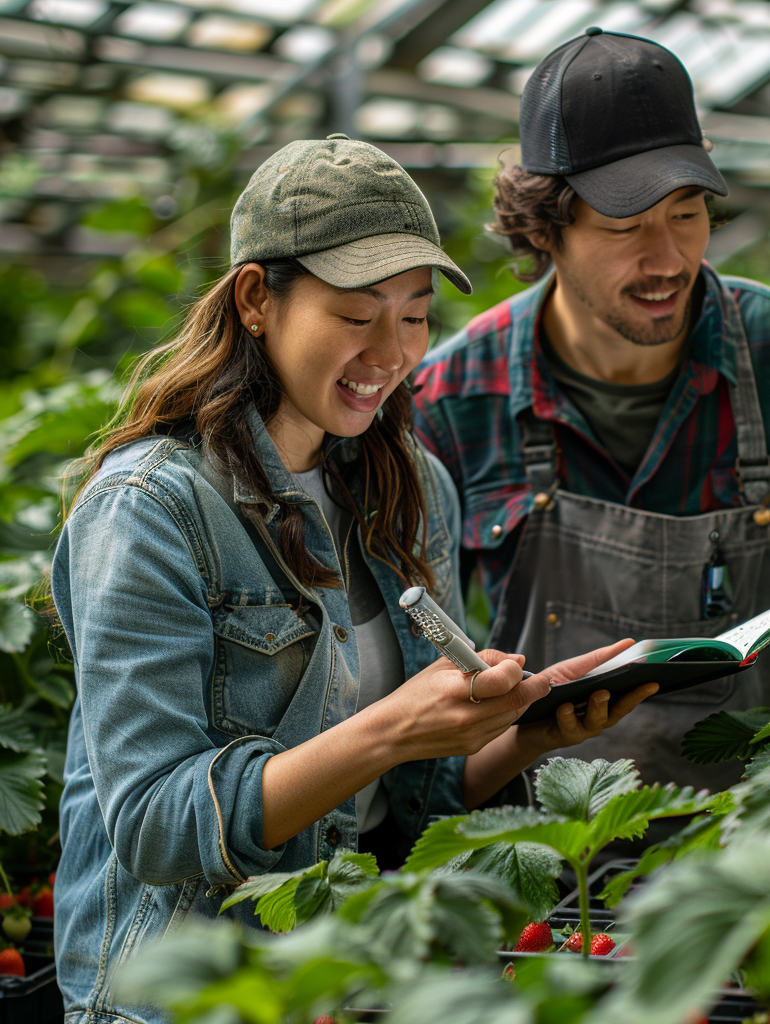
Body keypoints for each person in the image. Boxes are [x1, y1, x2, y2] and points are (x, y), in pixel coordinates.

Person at [49, 135, 657, 1024]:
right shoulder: (151, 508)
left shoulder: (409, 489)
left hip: (354, 973)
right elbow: (155, 824)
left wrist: (525, 733)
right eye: (356, 313)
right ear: (258, 300)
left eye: (413, 315)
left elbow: (410, 798)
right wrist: (385, 730)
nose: (391, 349)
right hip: (192, 993)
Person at [412, 29, 770, 793]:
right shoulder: (454, 395)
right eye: (626, 228)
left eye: (687, 214)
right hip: (537, 851)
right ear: (544, 229)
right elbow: (410, 663)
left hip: (759, 840)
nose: (667, 260)